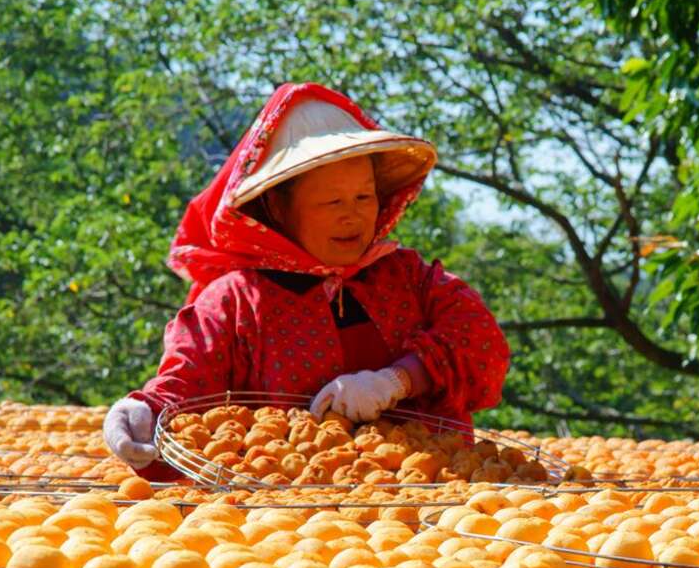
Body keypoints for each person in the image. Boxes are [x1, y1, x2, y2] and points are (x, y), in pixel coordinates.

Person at [103, 82, 509, 476]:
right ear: (278, 207)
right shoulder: (235, 301)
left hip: (434, 493)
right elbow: (187, 381)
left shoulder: (408, 276)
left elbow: (478, 337)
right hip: (291, 515)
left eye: (364, 197)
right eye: (332, 201)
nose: (352, 215)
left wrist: (396, 380)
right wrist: (146, 411)